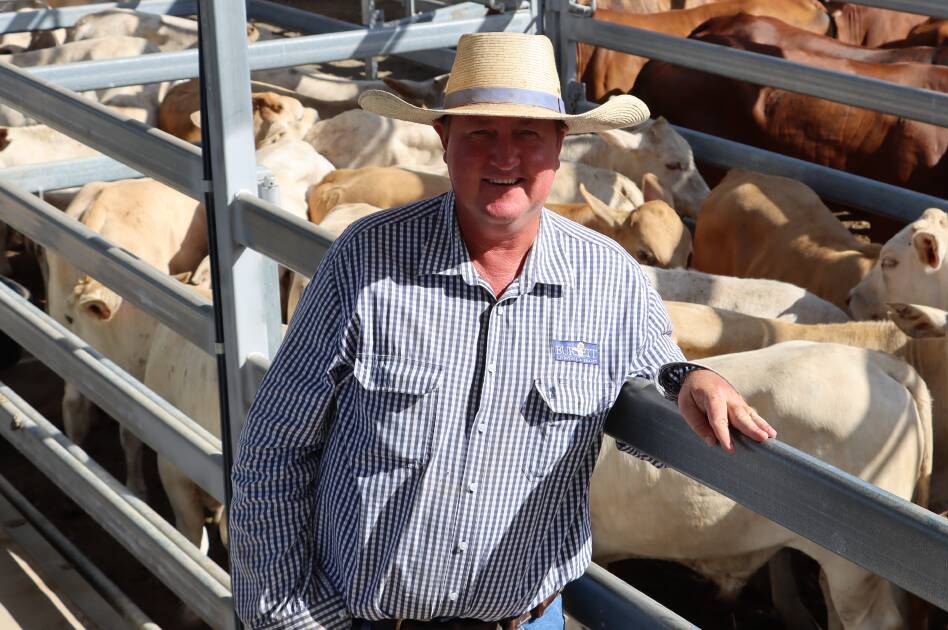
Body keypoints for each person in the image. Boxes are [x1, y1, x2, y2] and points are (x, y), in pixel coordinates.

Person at [229, 31, 775, 630]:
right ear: (444, 142)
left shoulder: (609, 278)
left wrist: (696, 379)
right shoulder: (365, 261)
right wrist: (291, 619)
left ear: (560, 147)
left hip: (526, 619)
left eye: (528, 135)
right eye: (481, 133)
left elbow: (660, 367)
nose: (505, 156)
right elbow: (274, 448)